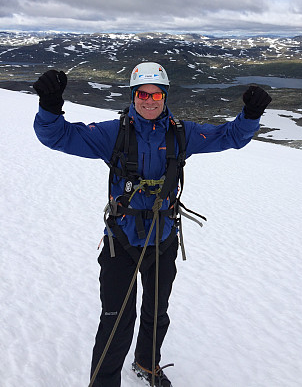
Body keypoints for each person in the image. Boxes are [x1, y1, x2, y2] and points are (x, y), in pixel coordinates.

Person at [33, 62, 272, 387]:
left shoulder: (181, 133)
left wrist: (251, 113)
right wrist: (49, 106)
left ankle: (147, 363)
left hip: (162, 240)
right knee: (116, 322)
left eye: (156, 93)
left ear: (165, 95)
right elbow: (59, 136)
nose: (149, 100)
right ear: (133, 96)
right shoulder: (112, 133)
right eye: (142, 93)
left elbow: (229, 136)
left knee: (157, 313)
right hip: (122, 243)